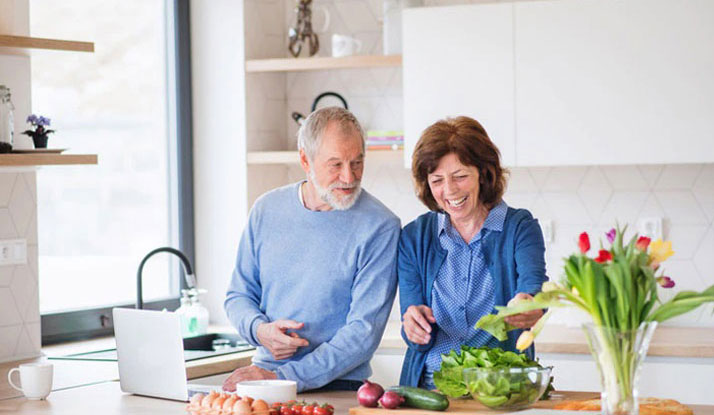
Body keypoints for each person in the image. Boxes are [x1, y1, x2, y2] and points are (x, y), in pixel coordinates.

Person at [223, 107, 401, 393]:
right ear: (305, 159)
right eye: (335, 164)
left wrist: (284, 379)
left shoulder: (380, 226)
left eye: (357, 162)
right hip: (263, 377)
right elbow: (238, 295)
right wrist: (260, 330)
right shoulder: (266, 210)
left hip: (339, 386)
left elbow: (362, 334)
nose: (349, 176)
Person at [398, 116, 548, 389]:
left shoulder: (519, 228)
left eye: (460, 176)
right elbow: (410, 325)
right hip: (431, 391)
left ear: (484, 172)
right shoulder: (414, 237)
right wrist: (412, 326)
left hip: (501, 387)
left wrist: (529, 303)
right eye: (437, 180)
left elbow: (534, 290)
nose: (449, 190)